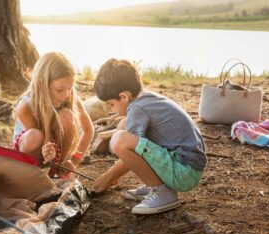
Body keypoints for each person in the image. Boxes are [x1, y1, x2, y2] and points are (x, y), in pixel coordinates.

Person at [93, 59, 207, 215]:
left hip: (184, 172)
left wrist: (108, 177)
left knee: (119, 141)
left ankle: (161, 192)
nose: (111, 109)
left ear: (124, 96)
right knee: (123, 127)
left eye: (111, 104)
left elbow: (129, 147)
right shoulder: (146, 99)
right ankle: (159, 185)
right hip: (187, 165)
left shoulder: (138, 108)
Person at [13, 52, 94, 178]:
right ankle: (29, 175)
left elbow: (88, 130)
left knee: (66, 115)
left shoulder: (70, 97)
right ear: (42, 84)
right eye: (60, 90)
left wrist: (74, 160)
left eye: (69, 88)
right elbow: (38, 141)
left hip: (55, 153)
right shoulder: (25, 106)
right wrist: (47, 151)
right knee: (34, 136)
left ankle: (59, 168)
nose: (65, 95)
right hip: (31, 150)